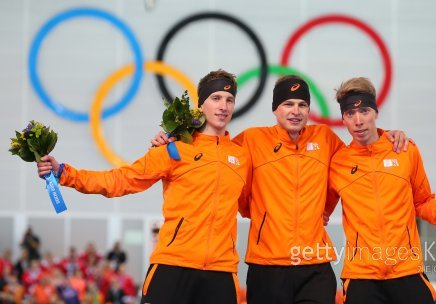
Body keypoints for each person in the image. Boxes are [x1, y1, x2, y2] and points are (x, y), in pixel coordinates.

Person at [152, 74, 410, 303]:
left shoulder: (325, 139)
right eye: (288, 104)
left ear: (309, 110)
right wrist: (174, 138)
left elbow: (358, 159)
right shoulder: (252, 140)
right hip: (267, 266)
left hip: (314, 264)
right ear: (275, 109)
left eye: (302, 105)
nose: (295, 111)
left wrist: (388, 136)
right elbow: (213, 150)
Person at [37, 69, 249, 304]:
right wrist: (63, 173)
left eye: (230, 100)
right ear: (201, 106)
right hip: (173, 265)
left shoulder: (241, 156)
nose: (224, 106)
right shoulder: (174, 149)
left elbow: (255, 203)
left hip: (221, 272)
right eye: (216, 98)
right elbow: (120, 180)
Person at [328, 77, 436, 304]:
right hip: (362, 276)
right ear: (343, 119)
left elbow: (422, 203)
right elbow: (317, 208)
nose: (358, 120)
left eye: (365, 111)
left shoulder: (405, 150)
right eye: (350, 114)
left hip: (406, 269)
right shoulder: (337, 162)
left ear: (376, 113)